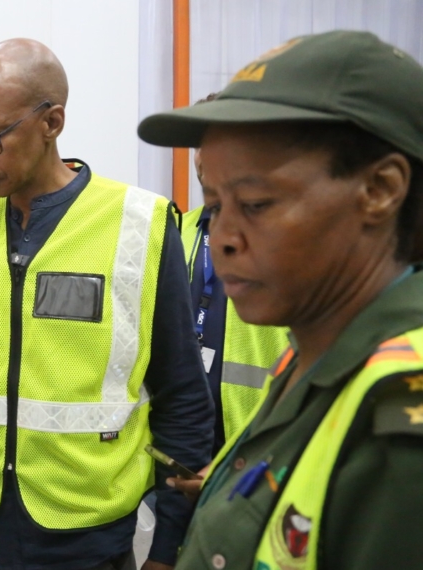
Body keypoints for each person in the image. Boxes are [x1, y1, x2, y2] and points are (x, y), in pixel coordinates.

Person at [0, 39, 214, 570]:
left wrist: (168, 549)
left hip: (89, 536)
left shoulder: (137, 226)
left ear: (52, 123)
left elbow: (182, 397)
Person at [138, 30, 423, 570]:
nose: (222, 235)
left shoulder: (400, 432)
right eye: (214, 203)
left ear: (381, 190)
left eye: (256, 203)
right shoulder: (313, 351)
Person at [184, 104, 290, 454]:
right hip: (182, 439)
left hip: (259, 440)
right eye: (199, 146)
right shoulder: (176, 230)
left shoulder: (282, 238)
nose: (205, 157)